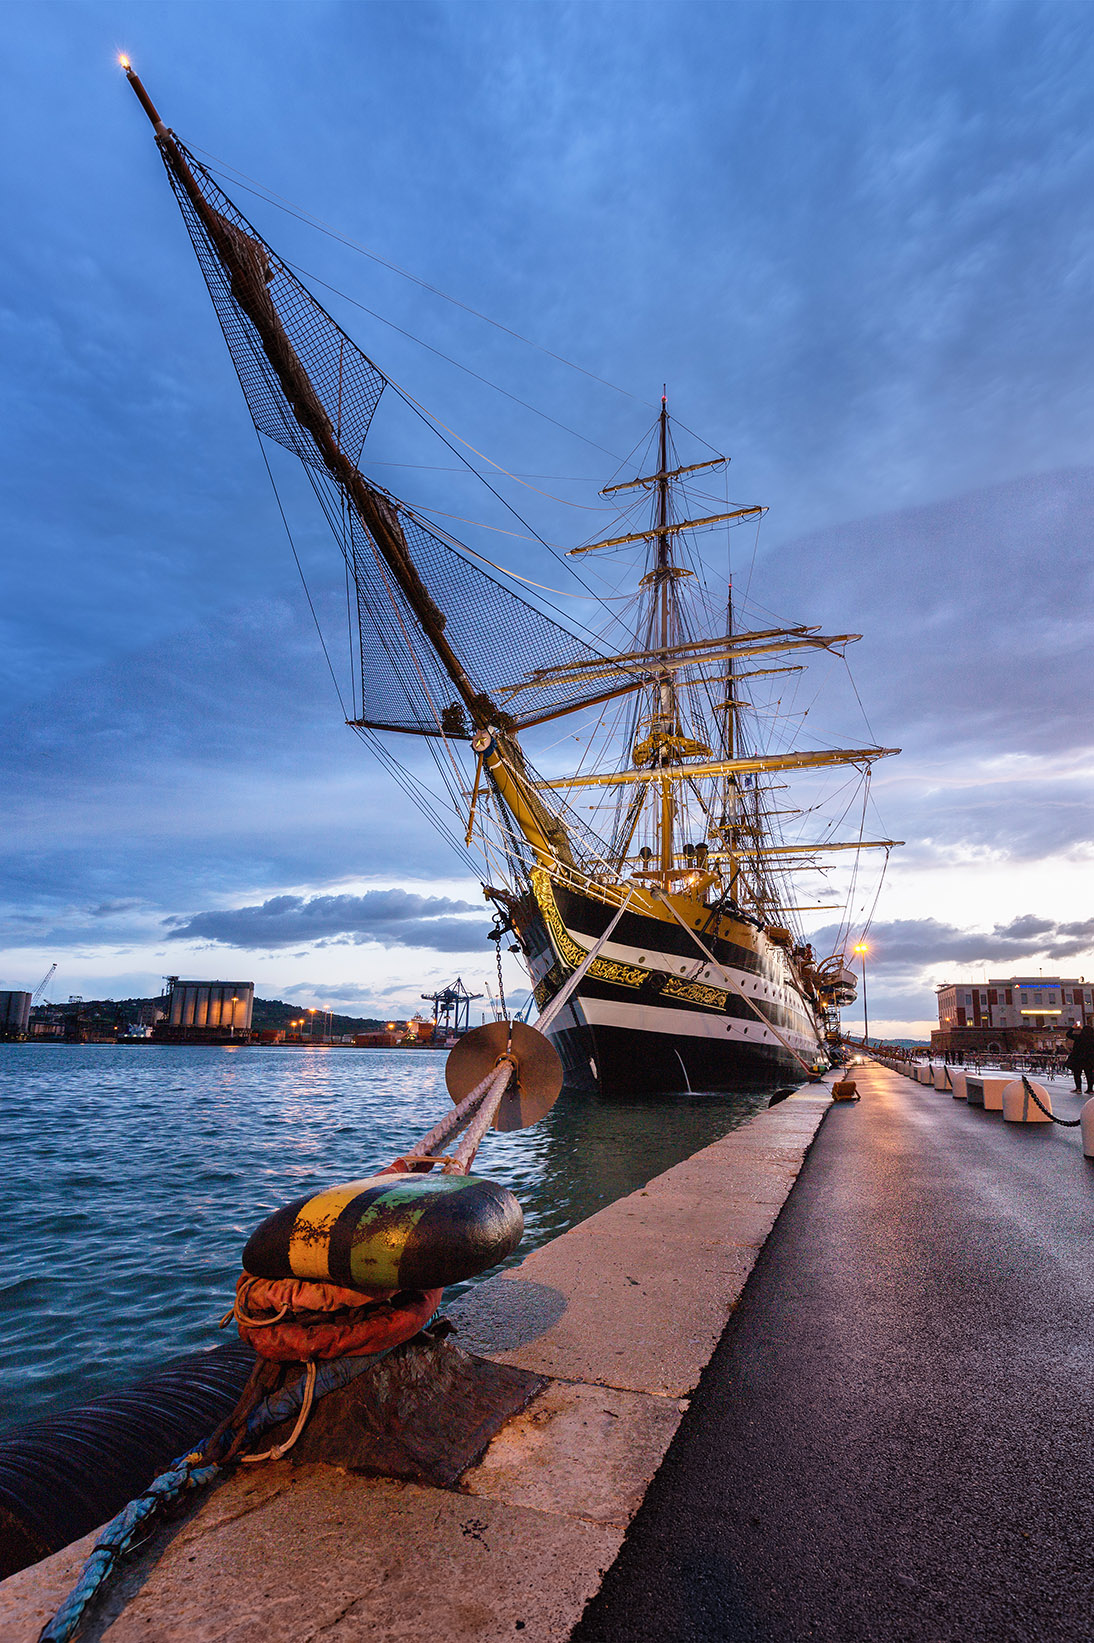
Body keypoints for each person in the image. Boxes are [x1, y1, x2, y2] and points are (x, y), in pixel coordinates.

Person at [1065, 1022, 1094, 1095]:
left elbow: (1068, 1034)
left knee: (1077, 1074)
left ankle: (1078, 1089)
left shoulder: (1079, 1037)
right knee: (1089, 1074)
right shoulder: (1092, 1039)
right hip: (1089, 1059)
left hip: (1078, 1059)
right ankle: (1090, 1089)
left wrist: (1073, 1028)